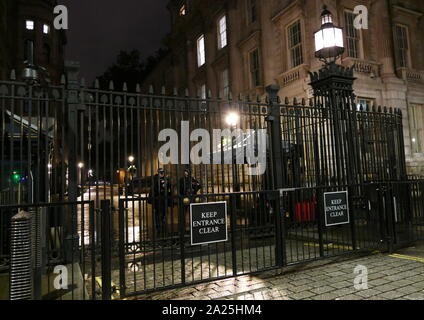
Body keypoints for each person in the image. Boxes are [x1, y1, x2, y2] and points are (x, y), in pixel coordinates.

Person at [148, 168, 172, 237]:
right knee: (158, 213)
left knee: (164, 212)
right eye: (160, 173)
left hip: (164, 199)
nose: (162, 174)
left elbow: (169, 187)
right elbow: (154, 188)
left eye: (163, 173)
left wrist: (167, 183)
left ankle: (163, 224)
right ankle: (158, 227)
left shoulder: (166, 179)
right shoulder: (155, 179)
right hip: (157, 200)